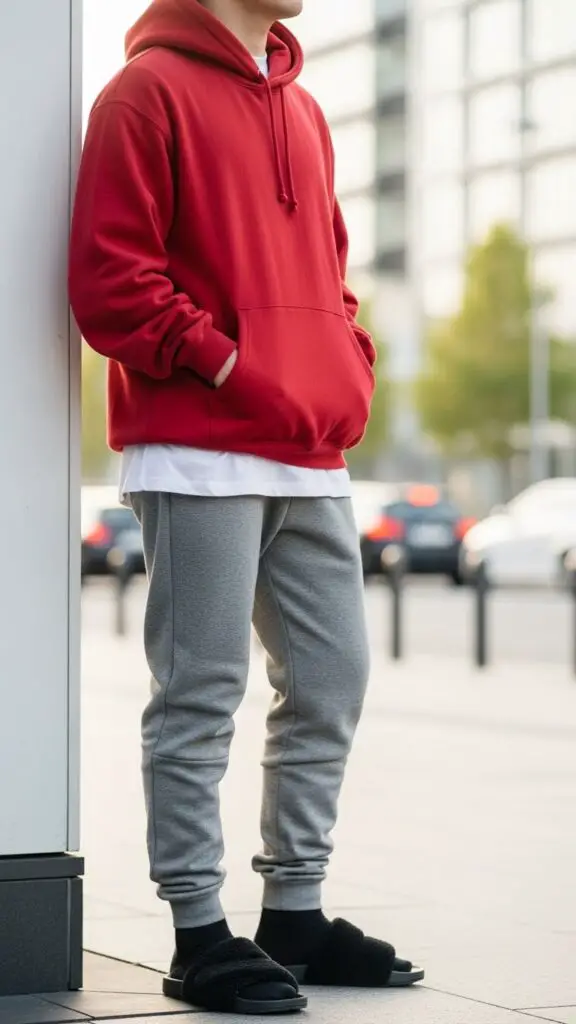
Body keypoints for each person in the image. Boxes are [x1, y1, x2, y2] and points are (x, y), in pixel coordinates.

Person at [69, 0, 424, 1014]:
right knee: (200, 689)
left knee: (331, 677)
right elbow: (109, 281)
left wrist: (342, 365)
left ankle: (294, 912)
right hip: (195, 451)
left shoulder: (303, 109)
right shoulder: (143, 95)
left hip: (307, 448)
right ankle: (195, 929)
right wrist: (227, 359)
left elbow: (330, 276)